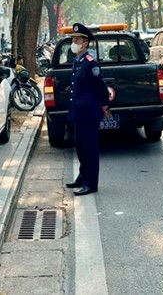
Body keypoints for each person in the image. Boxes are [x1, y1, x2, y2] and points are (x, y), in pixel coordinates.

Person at [63, 23, 110, 196]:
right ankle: (82, 177)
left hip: (89, 112)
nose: (74, 42)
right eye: (73, 39)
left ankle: (91, 183)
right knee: (80, 147)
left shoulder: (91, 64)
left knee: (90, 148)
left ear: (85, 43)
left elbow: (101, 86)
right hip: (79, 111)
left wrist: (105, 105)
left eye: (77, 40)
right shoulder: (78, 61)